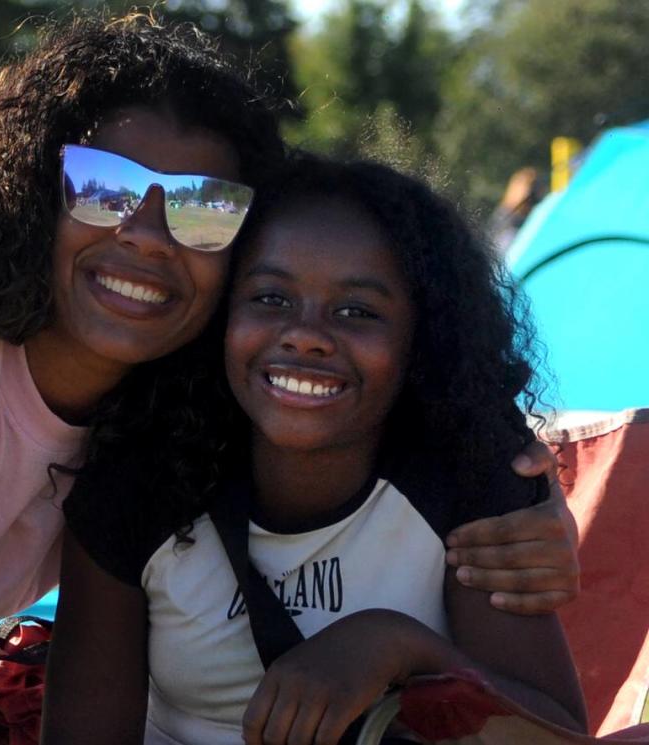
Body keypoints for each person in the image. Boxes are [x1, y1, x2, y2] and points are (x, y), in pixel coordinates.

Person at [0, 12, 574, 745]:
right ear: (36, 190)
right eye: (104, 185)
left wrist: (533, 505)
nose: (148, 233)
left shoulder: (154, 398)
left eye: (202, 206)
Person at [44, 152, 588, 745]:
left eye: (357, 311)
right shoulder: (135, 487)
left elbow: (555, 735)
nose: (305, 335)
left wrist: (398, 646)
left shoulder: (468, 480)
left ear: (423, 338)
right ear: (220, 316)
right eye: (271, 299)